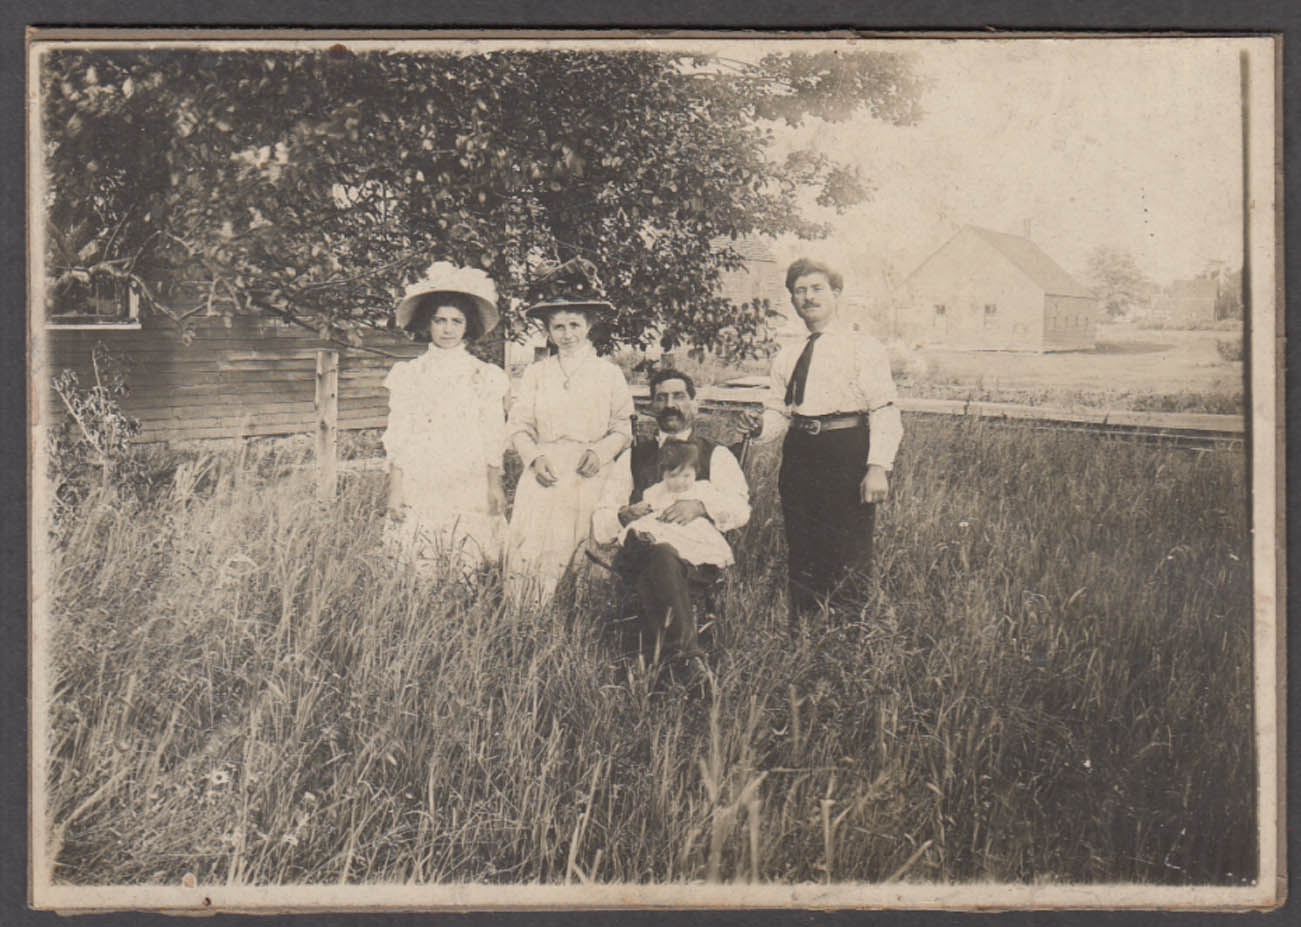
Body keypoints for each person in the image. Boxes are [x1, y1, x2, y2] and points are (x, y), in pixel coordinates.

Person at [741, 257, 903, 627]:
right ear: (792, 300)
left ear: (836, 294)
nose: (808, 298)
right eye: (799, 291)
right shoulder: (788, 353)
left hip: (846, 449)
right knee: (803, 543)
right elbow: (780, 411)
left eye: (816, 289)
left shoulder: (863, 347)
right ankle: (805, 629)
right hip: (800, 453)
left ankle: (851, 631)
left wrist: (878, 467)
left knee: (848, 546)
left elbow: (884, 408)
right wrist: (758, 428)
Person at [593, 368, 750, 658]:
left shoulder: (716, 454)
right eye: (661, 398)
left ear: (694, 403)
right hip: (640, 555)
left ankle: (670, 658)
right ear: (652, 407)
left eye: (678, 396)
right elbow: (603, 517)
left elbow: (741, 509)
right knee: (661, 554)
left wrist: (701, 506)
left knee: (666, 560)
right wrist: (624, 514)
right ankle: (686, 656)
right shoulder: (632, 456)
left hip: (696, 559)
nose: (670, 405)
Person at [505, 257, 634, 602]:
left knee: (586, 546)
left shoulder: (608, 374)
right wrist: (533, 458)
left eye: (575, 325)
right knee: (535, 548)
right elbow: (518, 425)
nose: (568, 334)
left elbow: (623, 426)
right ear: (547, 331)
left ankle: (582, 620)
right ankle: (528, 619)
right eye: (558, 327)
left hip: (589, 470)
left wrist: (601, 452)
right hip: (547, 469)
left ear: (589, 325)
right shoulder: (536, 373)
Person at [383, 262, 509, 574]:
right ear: (428, 324)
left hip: (466, 474)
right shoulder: (410, 374)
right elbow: (399, 434)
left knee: (464, 557)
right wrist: (396, 490)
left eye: (456, 321)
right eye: (440, 320)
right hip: (421, 473)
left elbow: (492, 436)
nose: (448, 329)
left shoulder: (483, 375)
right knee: (420, 560)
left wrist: (494, 486)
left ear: (468, 326)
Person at [617, 440, 735, 570]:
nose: (680, 482)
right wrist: (641, 508)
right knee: (642, 528)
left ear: (696, 472)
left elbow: (715, 503)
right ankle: (639, 543)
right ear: (663, 475)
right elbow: (648, 504)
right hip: (663, 526)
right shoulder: (658, 490)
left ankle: (687, 565)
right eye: (673, 476)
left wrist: (720, 513)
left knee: (686, 547)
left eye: (686, 476)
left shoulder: (702, 488)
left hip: (691, 528)